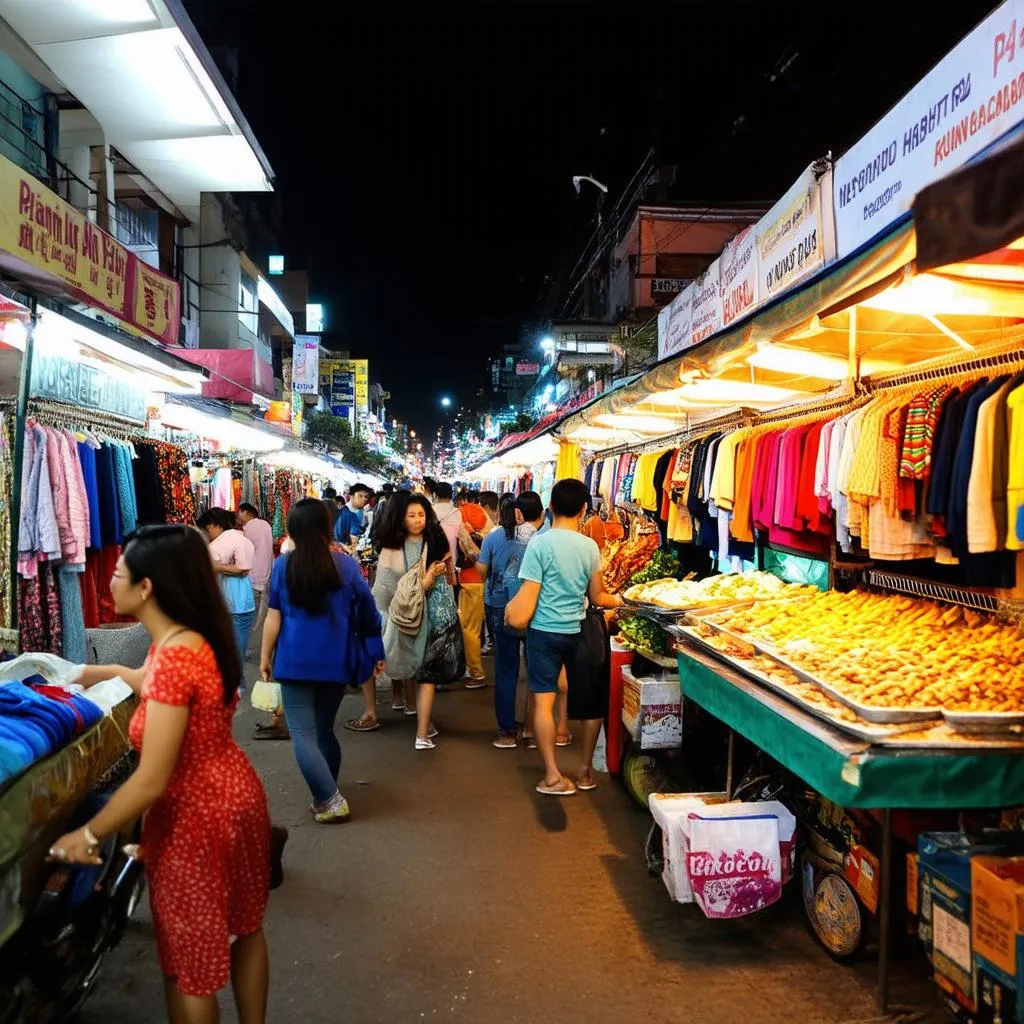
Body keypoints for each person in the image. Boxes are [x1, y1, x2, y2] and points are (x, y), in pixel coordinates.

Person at [51, 525, 271, 1022]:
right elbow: (146, 681)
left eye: (120, 572)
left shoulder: (174, 653)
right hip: (236, 800)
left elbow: (151, 779)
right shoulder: (194, 638)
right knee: (246, 928)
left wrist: (85, 834)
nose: (110, 580)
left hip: (196, 818)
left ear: (147, 587)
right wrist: (86, 672)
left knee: (188, 968)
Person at [260, 499, 385, 823]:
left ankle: (328, 798)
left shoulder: (283, 566)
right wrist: (375, 652)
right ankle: (325, 794)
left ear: (292, 530)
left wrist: (265, 656)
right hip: (336, 661)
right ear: (328, 528)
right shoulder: (345, 566)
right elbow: (368, 615)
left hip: (294, 662)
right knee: (325, 732)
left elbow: (274, 617)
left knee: (303, 734)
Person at [505, 479, 622, 796]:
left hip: (544, 632)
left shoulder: (540, 545)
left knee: (544, 701)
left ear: (550, 508)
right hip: (581, 630)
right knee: (590, 704)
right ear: (584, 509)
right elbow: (597, 596)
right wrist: (624, 600)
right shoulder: (589, 547)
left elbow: (530, 591)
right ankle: (584, 773)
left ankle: (553, 775)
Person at [373, 492, 454, 749]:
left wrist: (442, 572)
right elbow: (385, 590)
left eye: (421, 514)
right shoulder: (391, 548)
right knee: (415, 669)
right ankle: (422, 725)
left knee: (425, 673)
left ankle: (422, 728)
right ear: (400, 518)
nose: (418, 520)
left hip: (432, 616)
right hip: (408, 618)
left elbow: (445, 579)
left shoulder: (435, 540)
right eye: (412, 516)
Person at [197, 508, 256, 685]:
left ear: (215, 525)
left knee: (230, 648)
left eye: (207, 529)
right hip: (245, 601)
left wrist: (218, 567)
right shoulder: (241, 538)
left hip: (230, 603)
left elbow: (242, 568)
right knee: (238, 646)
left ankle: (234, 684)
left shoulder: (222, 542)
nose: (207, 534)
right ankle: (237, 681)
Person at [455, 489, 495, 687]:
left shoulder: (465, 512)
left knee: (469, 628)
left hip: (469, 578)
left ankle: (476, 673)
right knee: (472, 627)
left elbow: (466, 543)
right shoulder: (485, 517)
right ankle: (470, 668)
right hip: (481, 578)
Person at [238, 503, 274, 662]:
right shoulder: (266, 525)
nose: (239, 518)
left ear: (244, 512)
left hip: (251, 577)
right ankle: (251, 648)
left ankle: (243, 649)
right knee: (259, 616)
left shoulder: (248, 529)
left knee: (246, 617)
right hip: (265, 576)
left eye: (239, 514)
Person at [334, 483, 372, 548]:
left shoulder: (362, 511)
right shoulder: (344, 514)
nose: (364, 499)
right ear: (351, 496)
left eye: (365, 496)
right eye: (360, 496)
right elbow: (339, 540)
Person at [431, 481, 461, 563]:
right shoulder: (458, 512)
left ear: (435, 494)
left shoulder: (430, 511)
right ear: (451, 495)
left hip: (436, 555)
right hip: (453, 553)